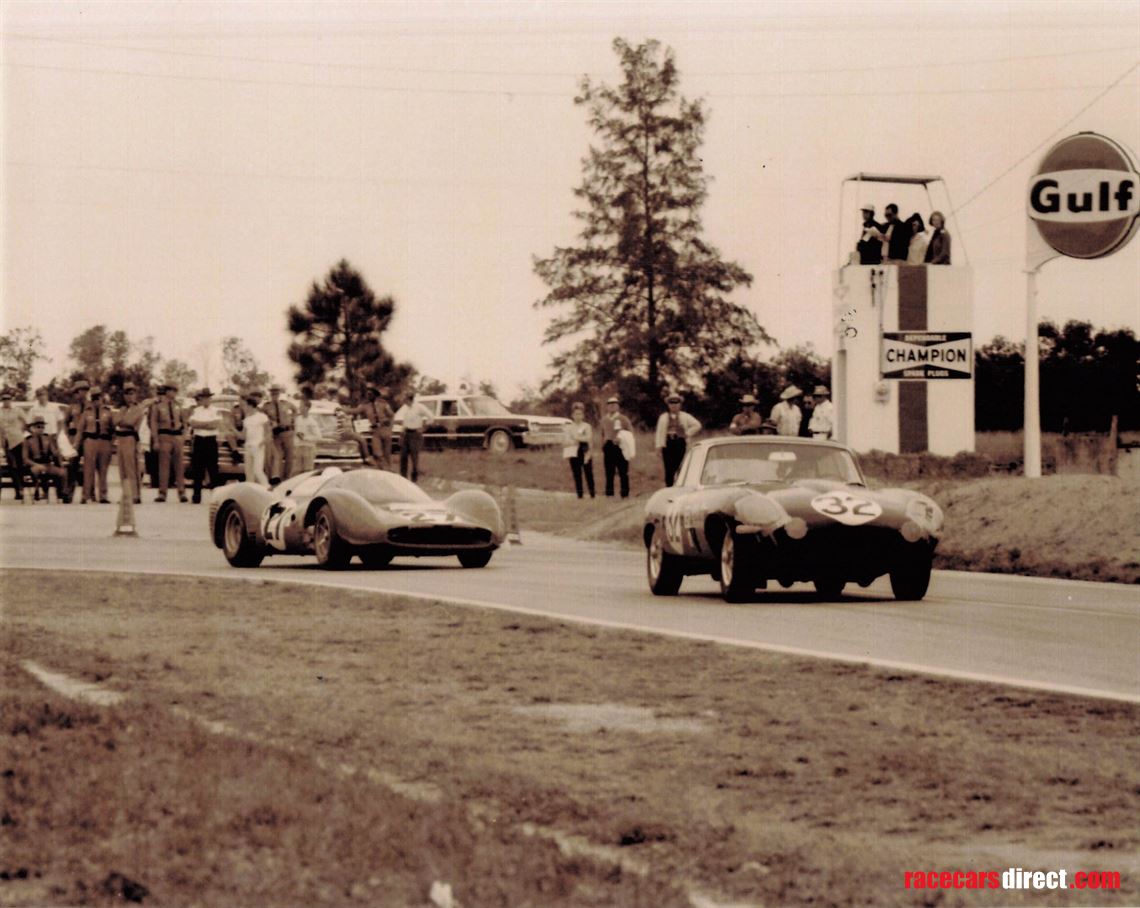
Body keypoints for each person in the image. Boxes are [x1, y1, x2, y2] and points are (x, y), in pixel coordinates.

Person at [76, 386, 114, 503]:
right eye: (94, 398)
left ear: (102, 397)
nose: (96, 400)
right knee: (88, 470)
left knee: (103, 470)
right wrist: (77, 444)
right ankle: (86, 495)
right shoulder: (86, 412)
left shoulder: (108, 412)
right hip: (90, 441)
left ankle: (103, 495)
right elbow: (80, 430)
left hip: (104, 441)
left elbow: (113, 429)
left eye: (98, 397)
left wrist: (111, 443)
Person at [150, 383, 188, 502]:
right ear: (167, 391)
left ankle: (182, 492)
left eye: (175, 391)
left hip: (177, 436)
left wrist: (184, 436)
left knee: (179, 466)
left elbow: (184, 422)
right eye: (172, 390)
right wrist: (155, 440)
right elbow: (153, 423)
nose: (174, 393)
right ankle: (162, 493)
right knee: (164, 465)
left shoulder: (179, 405)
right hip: (164, 436)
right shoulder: (158, 406)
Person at [654, 393, 701, 487]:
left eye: (676, 403)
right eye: (671, 403)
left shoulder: (685, 416)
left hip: (680, 442)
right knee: (668, 467)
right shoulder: (663, 417)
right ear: (668, 405)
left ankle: (680, 486)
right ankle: (669, 487)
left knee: (680, 465)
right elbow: (659, 432)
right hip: (668, 443)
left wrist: (687, 433)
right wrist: (658, 446)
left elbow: (697, 425)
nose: (674, 405)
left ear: (680, 404)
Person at [113, 382, 148, 504]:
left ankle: (134, 494)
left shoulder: (138, 409)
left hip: (131, 438)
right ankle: (125, 494)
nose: (129, 396)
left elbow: (130, 422)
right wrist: (123, 421)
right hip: (121, 438)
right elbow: (116, 421)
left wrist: (122, 422)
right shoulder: (123, 408)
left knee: (131, 467)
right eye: (127, 394)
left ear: (135, 394)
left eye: (131, 393)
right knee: (122, 468)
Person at [23, 416, 71, 502]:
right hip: (35, 464)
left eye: (42, 427)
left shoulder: (47, 438)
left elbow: (54, 453)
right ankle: (38, 491)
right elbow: (25, 459)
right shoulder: (28, 441)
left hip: (47, 464)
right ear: (33, 428)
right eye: (38, 427)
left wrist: (58, 452)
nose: (41, 429)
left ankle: (64, 493)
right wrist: (36, 465)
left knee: (63, 472)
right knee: (36, 471)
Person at [188, 388, 222, 503]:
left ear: (210, 399)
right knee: (198, 469)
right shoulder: (196, 410)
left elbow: (215, 425)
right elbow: (192, 424)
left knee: (213, 469)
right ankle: (196, 496)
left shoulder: (216, 410)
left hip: (210, 441)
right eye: (203, 398)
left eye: (208, 397)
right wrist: (207, 424)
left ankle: (216, 497)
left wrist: (200, 424)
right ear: (201, 399)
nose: (206, 400)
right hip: (199, 440)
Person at [599, 396, 633, 498]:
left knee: (623, 471)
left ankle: (624, 494)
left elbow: (630, 431)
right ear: (607, 407)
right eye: (610, 405)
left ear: (618, 406)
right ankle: (609, 494)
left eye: (614, 404)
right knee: (609, 471)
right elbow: (602, 433)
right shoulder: (604, 419)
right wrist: (603, 445)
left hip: (620, 446)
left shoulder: (623, 419)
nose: (612, 407)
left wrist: (622, 439)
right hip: (608, 445)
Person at [263, 383, 296, 484]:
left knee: (290, 457)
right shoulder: (266, 406)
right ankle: (278, 478)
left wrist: (292, 419)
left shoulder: (286, 404)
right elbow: (263, 418)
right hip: (276, 434)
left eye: (277, 392)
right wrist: (270, 422)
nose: (275, 394)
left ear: (279, 393)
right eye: (273, 392)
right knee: (278, 457)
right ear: (270, 394)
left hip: (288, 432)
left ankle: (288, 478)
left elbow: (295, 410)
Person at [562, 402, 595, 499]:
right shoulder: (569, 427)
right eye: (576, 414)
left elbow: (588, 438)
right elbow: (566, 440)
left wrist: (577, 438)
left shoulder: (587, 426)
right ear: (572, 415)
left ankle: (592, 494)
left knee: (588, 472)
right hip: (573, 451)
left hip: (585, 450)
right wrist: (574, 440)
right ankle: (580, 495)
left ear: (583, 415)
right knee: (577, 473)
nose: (578, 416)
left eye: (580, 414)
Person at [399, 393, 434, 482]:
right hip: (406, 433)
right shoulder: (406, 409)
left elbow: (431, 416)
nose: (403, 401)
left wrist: (424, 427)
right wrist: (402, 434)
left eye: (405, 399)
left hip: (415, 434)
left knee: (414, 456)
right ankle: (403, 477)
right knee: (403, 456)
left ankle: (414, 477)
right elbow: (405, 423)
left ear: (409, 399)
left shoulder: (419, 407)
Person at [0, 389, 28, 501]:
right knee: (12, 466)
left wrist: (21, 431)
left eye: (8, 399)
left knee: (20, 465)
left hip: (18, 439)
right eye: (4, 399)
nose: (6, 401)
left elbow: (26, 421)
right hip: (6, 441)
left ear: (11, 400)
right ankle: (18, 489)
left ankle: (21, 489)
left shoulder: (17, 410)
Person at [357, 386, 394, 469]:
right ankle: (381, 468)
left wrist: (390, 428)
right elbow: (355, 411)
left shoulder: (383, 404)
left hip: (385, 429)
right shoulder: (366, 406)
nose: (368, 396)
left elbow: (391, 415)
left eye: (370, 394)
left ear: (375, 395)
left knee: (387, 453)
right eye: (367, 394)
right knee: (377, 453)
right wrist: (342, 409)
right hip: (375, 431)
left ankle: (388, 470)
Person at [239, 391, 270, 486]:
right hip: (248, 447)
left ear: (250, 405)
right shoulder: (246, 420)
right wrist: (231, 429)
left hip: (258, 447)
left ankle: (267, 488)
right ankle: (251, 492)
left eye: (245, 405)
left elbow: (268, 433)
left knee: (258, 471)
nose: (243, 408)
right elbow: (242, 436)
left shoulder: (262, 417)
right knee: (249, 473)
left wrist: (262, 443)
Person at [293, 397, 320, 473]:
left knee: (307, 471)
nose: (299, 408)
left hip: (308, 448)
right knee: (298, 471)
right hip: (298, 448)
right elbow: (296, 433)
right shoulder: (298, 419)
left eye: (301, 406)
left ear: (306, 408)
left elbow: (318, 436)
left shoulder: (312, 421)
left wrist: (305, 438)